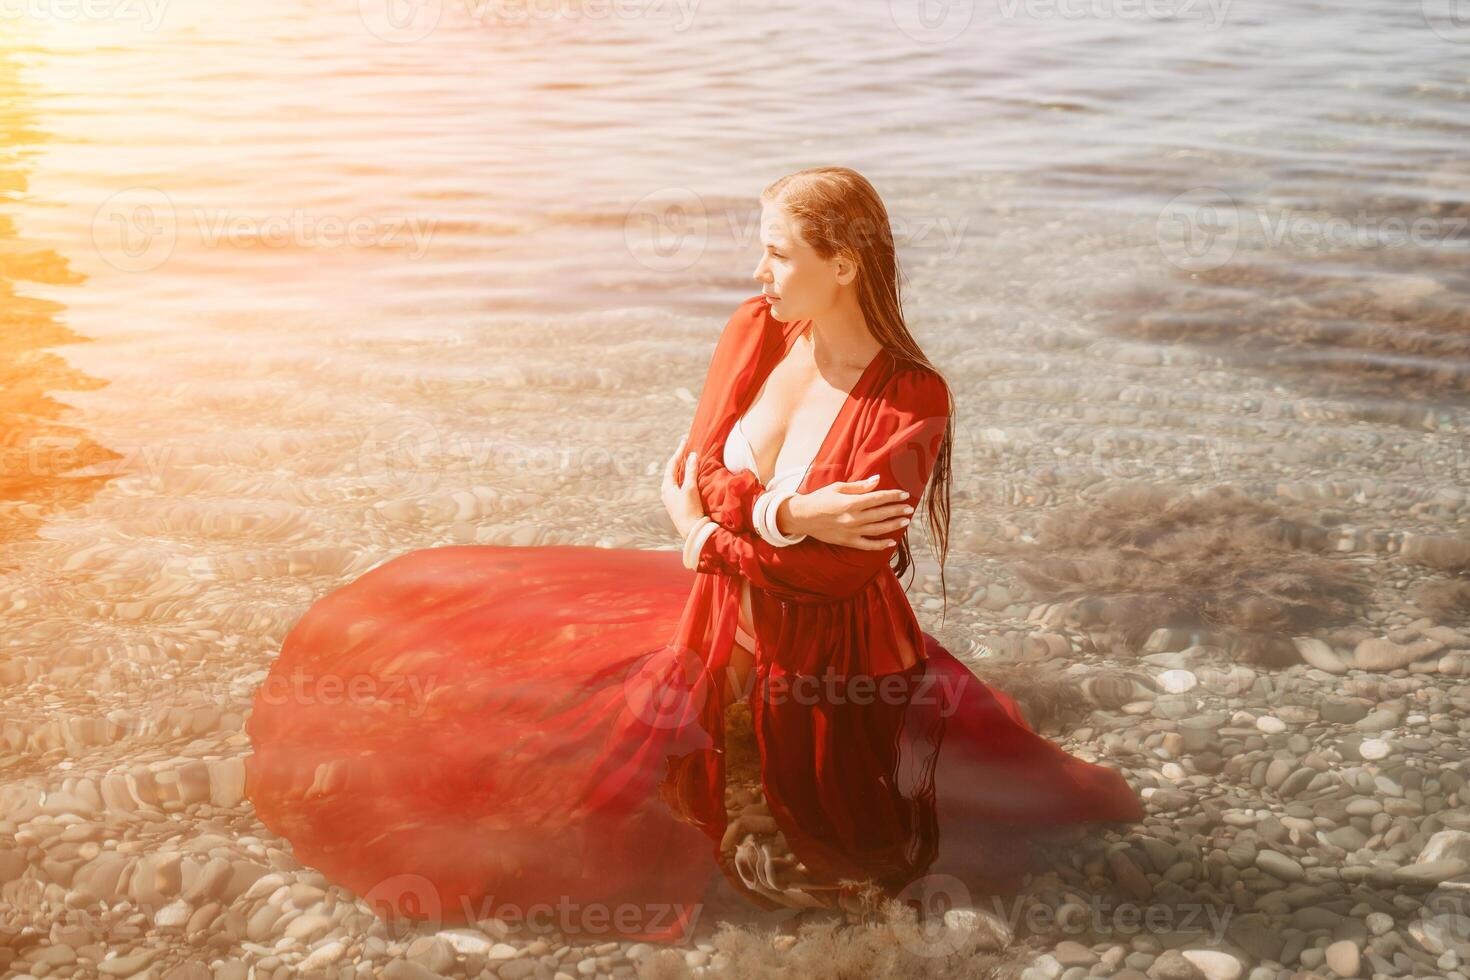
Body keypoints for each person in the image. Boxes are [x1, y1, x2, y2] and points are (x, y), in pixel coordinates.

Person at [244, 167, 1144, 948]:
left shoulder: (912, 399)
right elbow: (695, 465)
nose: (760, 270)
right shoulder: (758, 329)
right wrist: (789, 511)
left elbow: (840, 573)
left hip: (832, 668)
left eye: (779, 252)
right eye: (762, 250)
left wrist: (708, 531)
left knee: (852, 865)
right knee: (549, 779)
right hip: (718, 629)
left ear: (844, 262)